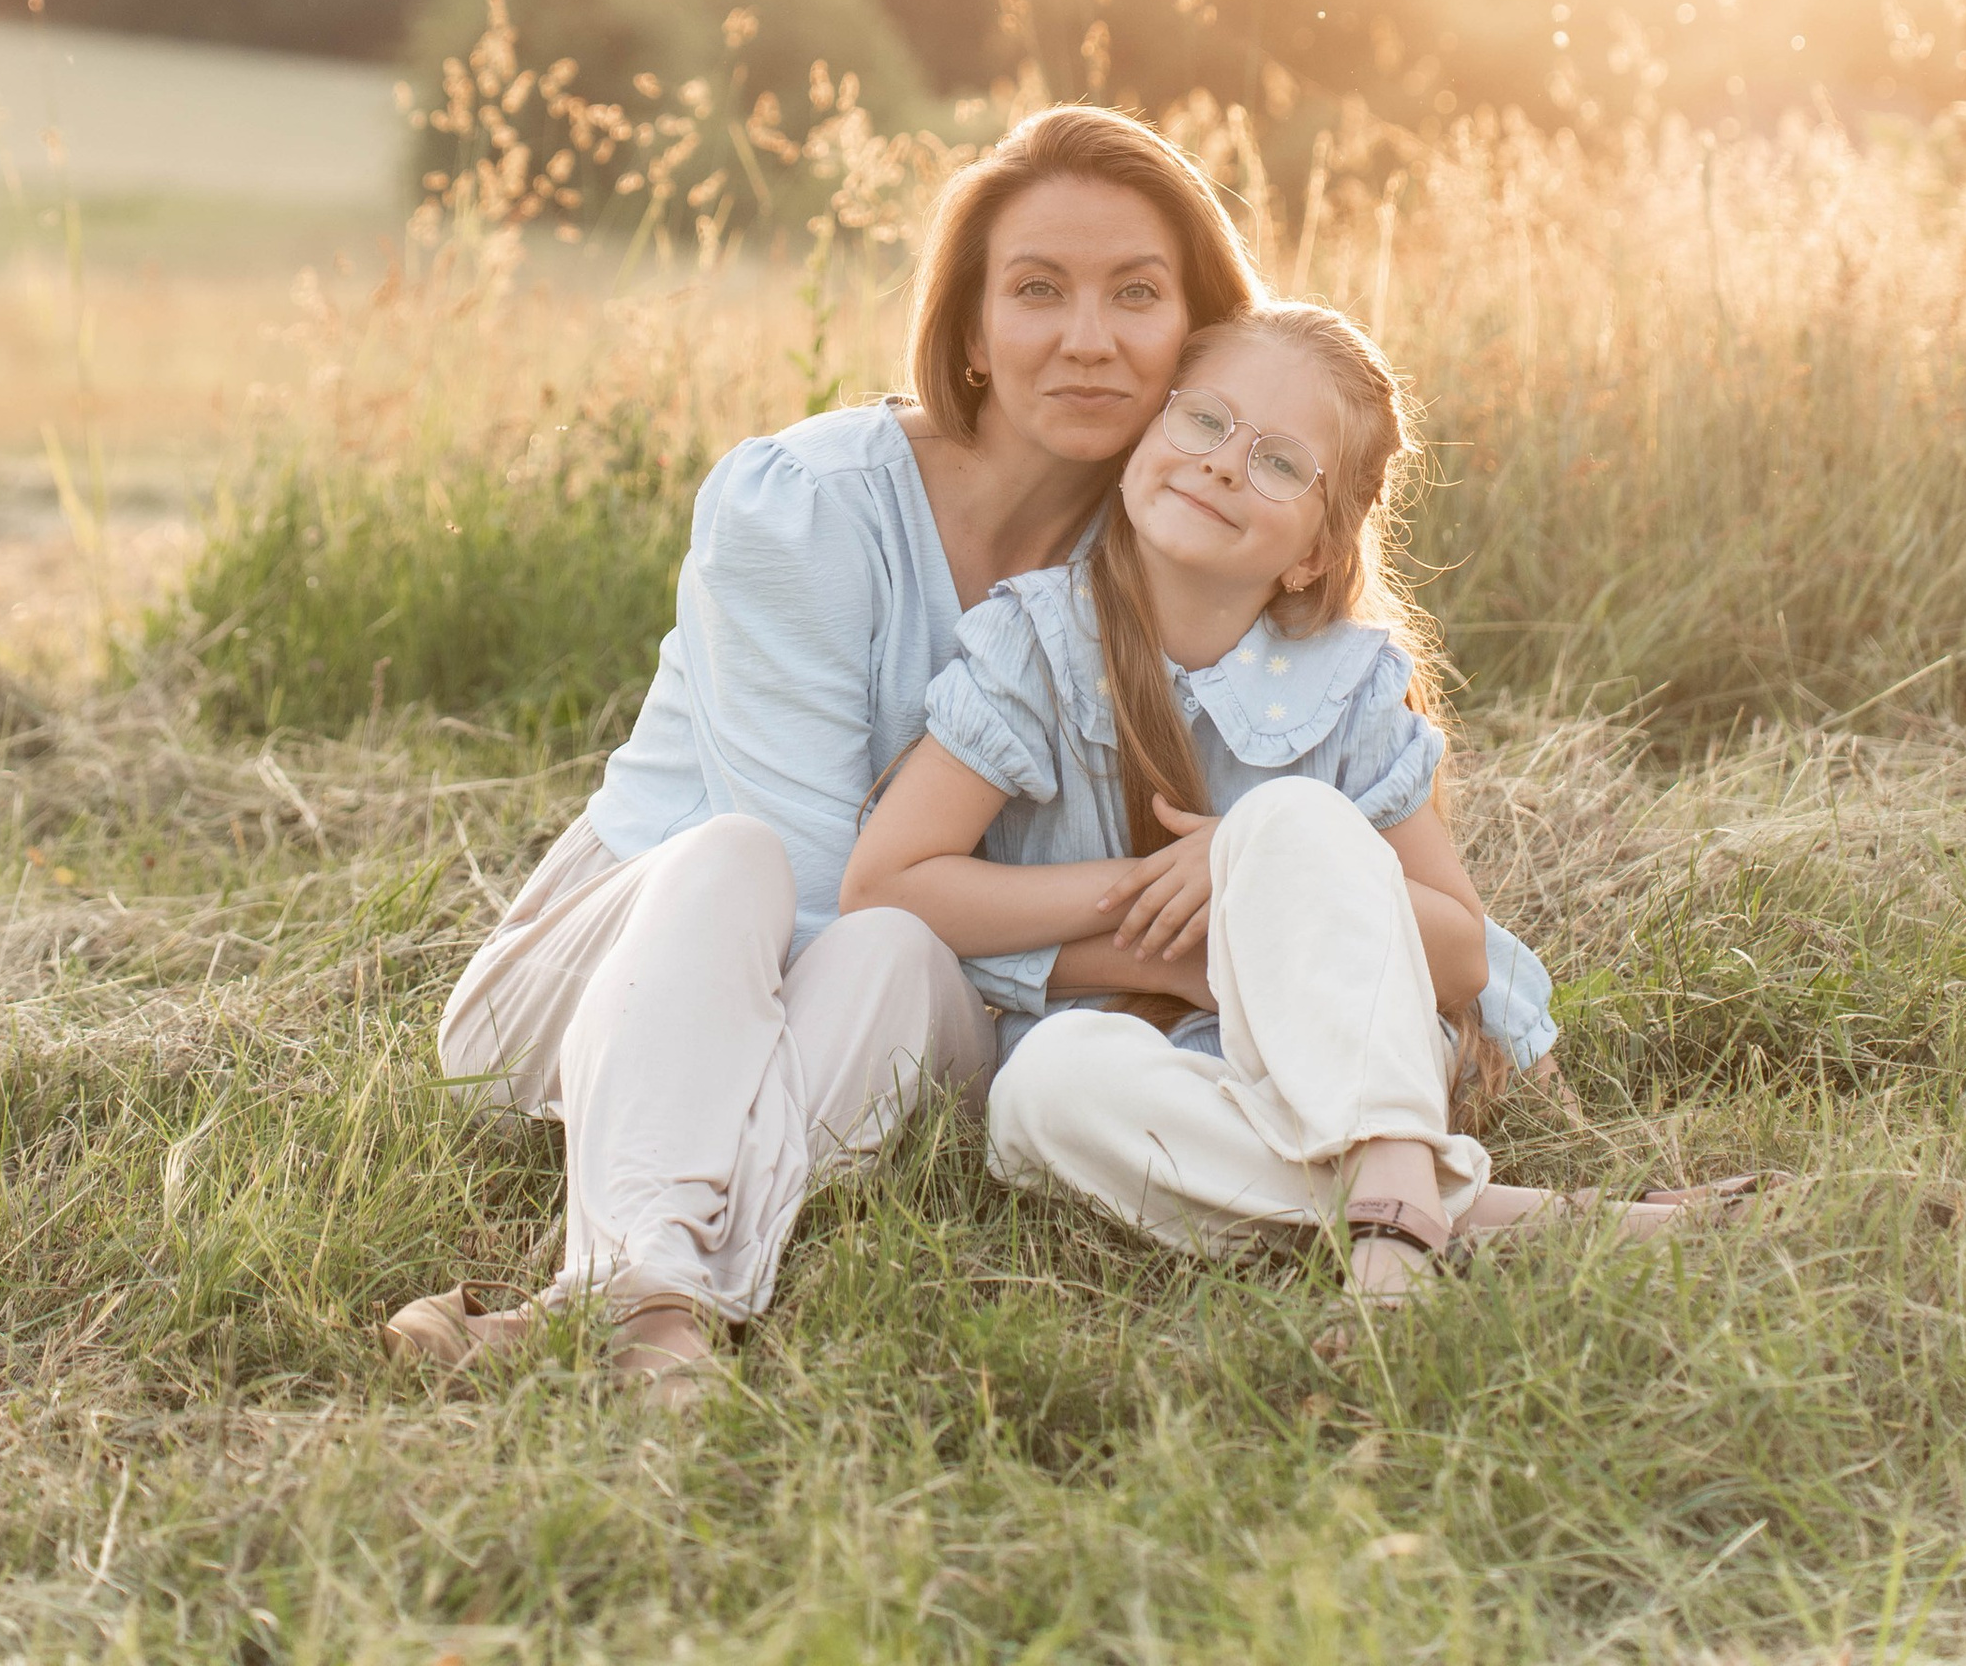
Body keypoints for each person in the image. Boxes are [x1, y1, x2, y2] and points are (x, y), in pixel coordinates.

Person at [385, 101, 1259, 1396]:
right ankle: (644, 1289)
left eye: (1136, 293)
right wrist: (1152, 949)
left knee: (899, 947)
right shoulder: (805, 508)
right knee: (736, 857)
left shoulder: (1165, 559)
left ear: (1195, 335)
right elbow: (803, 902)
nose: (1089, 337)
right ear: (970, 330)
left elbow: (911, 927)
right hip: (627, 980)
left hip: (895, 995)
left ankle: (633, 1304)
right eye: (1037, 290)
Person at [842, 296, 1747, 1310]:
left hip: (1359, 1056)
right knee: (1041, 1093)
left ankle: (1393, 1219)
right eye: (1203, 420)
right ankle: (1513, 1221)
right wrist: (1153, 914)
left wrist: (1254, 869)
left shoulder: (1343, 683)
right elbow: (888, 883)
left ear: (1314, 551)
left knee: (1289, 821)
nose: (1225, 464)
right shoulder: (1032, 644)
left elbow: (1458, 951)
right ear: (1142, 442)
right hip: (1148, 1072)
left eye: (1279, 462)